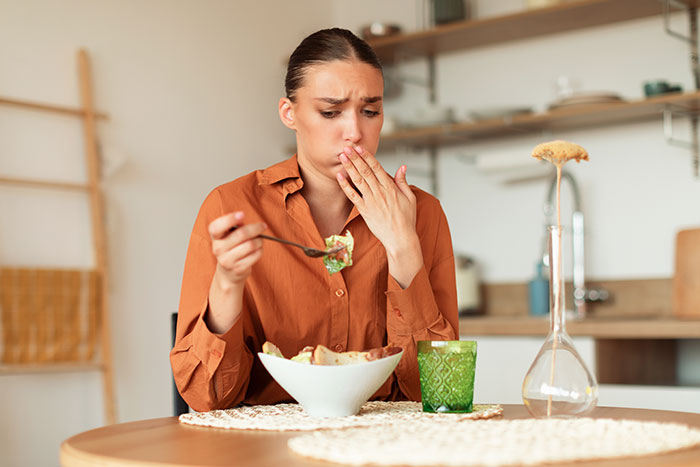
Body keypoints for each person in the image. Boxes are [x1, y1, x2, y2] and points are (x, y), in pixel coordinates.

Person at [170, 28, 458, 412]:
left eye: (370, 111)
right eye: (330, 112)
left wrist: (402, 246)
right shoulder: (230, 205)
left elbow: (441, 394)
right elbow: (207, 398)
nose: (355, 131)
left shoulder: (423, 213)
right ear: (289, 114)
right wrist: (227, 283)